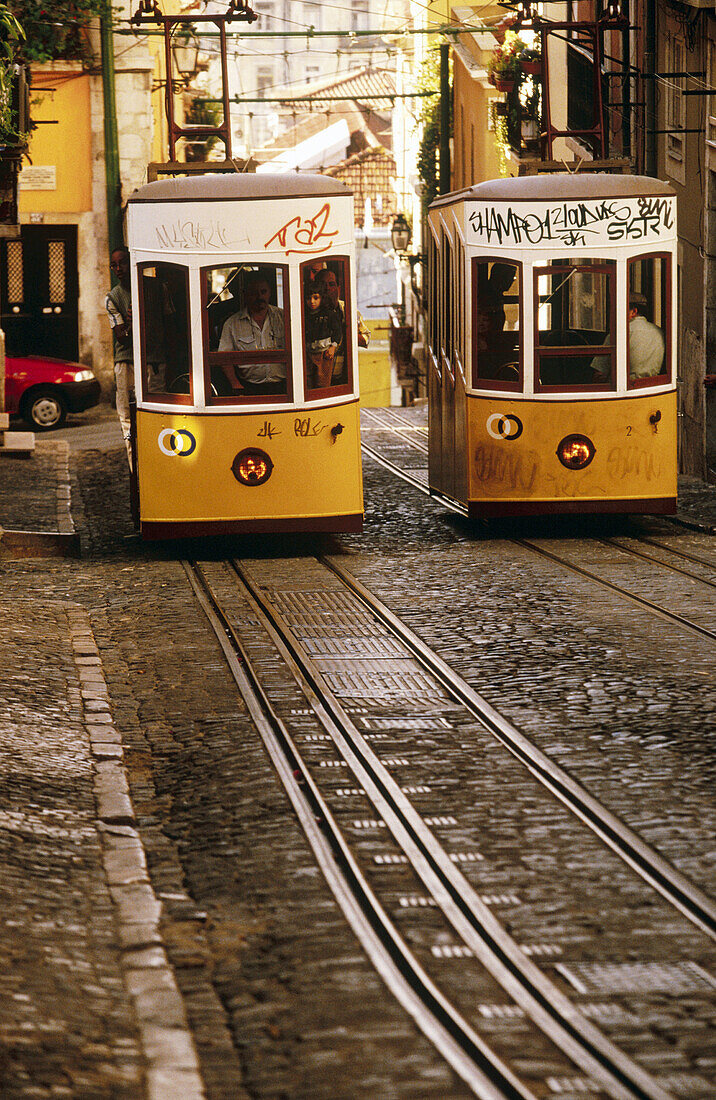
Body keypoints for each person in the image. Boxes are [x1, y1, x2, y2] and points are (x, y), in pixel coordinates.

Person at [219, 270, 286, 394]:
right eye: (254, 293)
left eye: (263, 292)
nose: (260, 297)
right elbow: (224, 358)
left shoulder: (284, 317)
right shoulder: (232, 324)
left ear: (270, 293)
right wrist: (236, 385)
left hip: (283, 388)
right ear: (245, 294)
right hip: (250, 389)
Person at [591, 292, 664, 381]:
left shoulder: (618, 333)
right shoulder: (659, 332)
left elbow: (599, 374)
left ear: (634, 311)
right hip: (652, 387)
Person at [105, 247, 133, 444]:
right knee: (127, 418)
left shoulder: (156, 288)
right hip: (126, 362)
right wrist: (131, 322)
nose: (118, 268)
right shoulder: (113, 297)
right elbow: (122, 337)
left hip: (154, 361)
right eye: (114, 265)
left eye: (122, 263)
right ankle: (134, 466)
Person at [304, 282, 342, 388]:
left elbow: (337, 331)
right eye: (308, 298)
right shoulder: (304, 315)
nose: (312, 302)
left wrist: (333, 347)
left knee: (323, 382)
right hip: (308, 353)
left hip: (324, 353)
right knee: (308, 381)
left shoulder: (329, 313)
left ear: (322, 298)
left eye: (316, 298)